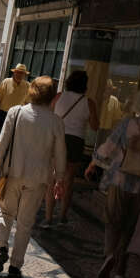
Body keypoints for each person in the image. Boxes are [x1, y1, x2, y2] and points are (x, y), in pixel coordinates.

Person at [85, 87, 140, 278]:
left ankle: (109, 255)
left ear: (139, 103)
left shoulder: (127, 124)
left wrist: (94, 162)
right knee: (130, 228)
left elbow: (109, 146)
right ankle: (120, 272)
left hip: (120, 180)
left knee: (113, 221)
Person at [0, 75, 66, 278]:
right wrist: (60, 179)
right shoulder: (56, 122)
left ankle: (1, 247)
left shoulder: (16, 112)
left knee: (4, 213)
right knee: (25, 222)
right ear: (52, 96)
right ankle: (15, 266)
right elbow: (60, 154)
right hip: (38, 178)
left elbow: (2, 142)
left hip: (12, 172)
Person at [45, 70, 100, 228]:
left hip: (58, 138)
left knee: (53, 179)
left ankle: (48, 218)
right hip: (76, 141)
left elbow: (49, 115)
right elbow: (95, 126)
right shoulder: (88, 102)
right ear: (85, 85)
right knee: (69, 180)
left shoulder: (59, 96)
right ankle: (62, 217)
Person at [0, 64, 30, 147]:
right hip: (3, 114)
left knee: (12, 141)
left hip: (18, 116)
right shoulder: (6, 82)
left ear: (24, 75)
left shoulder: (27, 86)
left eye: (22, 73)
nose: (19, 75)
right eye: (18, 72)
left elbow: (28, 104)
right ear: (14, 72)